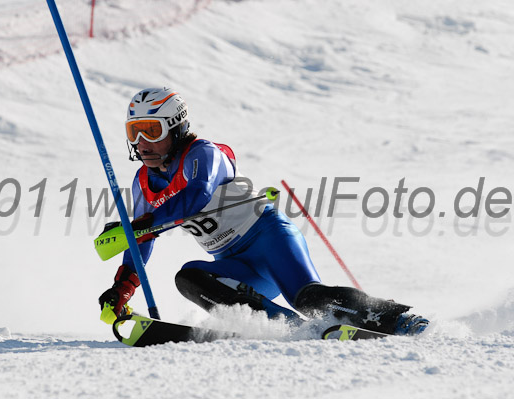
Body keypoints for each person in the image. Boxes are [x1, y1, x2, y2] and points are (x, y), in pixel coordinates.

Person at [98, 87, 429, 335]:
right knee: (189, 278)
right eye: (134, 132)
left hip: (268, 240)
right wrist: (121, 289)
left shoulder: (203, 154)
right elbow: (141, 240)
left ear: (176, 128)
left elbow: (196, 195)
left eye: (152, 131)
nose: (142, 142)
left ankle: (399, 318)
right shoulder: (144, 182)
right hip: (236, 264)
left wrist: (143, 224)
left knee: (308, 298)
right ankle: (293, 330)